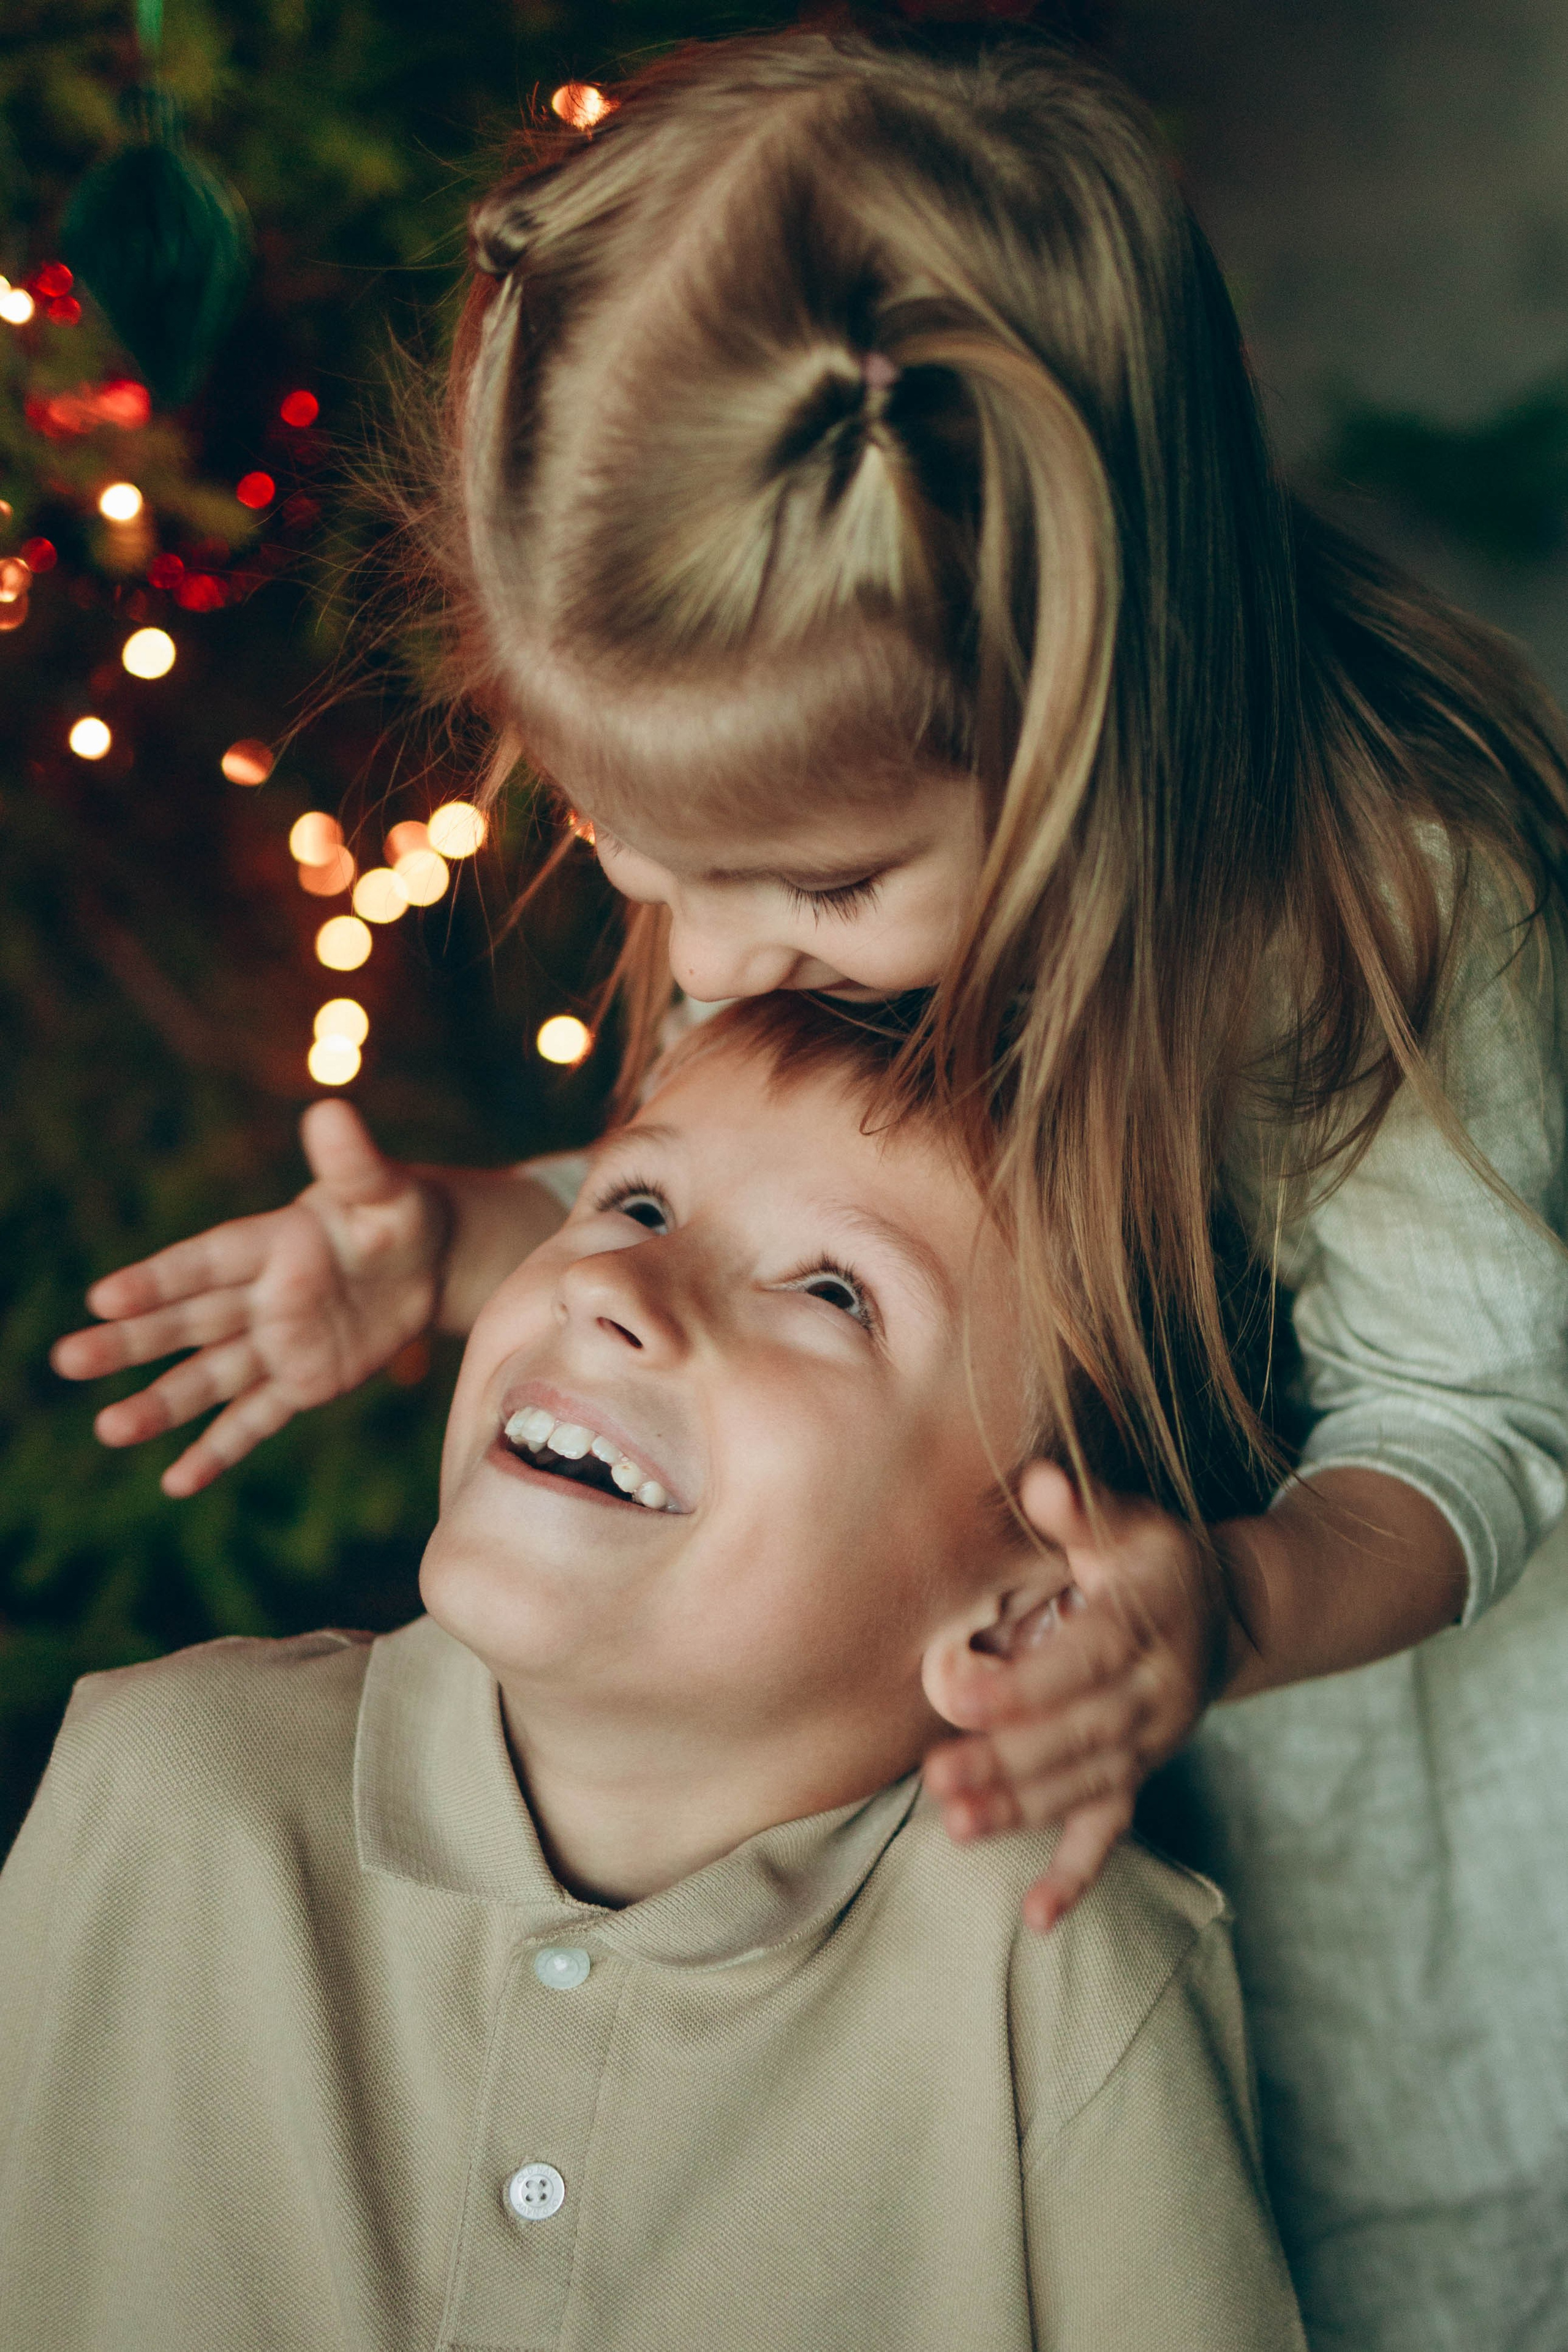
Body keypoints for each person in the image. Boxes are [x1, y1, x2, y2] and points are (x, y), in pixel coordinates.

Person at [47, 29, 1568, 2349]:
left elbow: (1480, 1426)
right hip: (936, 1710)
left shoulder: (1386, 905)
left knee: (1303, 2234)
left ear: (1077, 703)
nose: (722, 959)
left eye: (818, 888)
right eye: (654, 862)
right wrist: (461, 1239)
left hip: (1345, 1748)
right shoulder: (827, 804)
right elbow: (760, 1192)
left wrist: (1225, 1617)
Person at [3, 995, 1306, 2352]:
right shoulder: (165, 1787)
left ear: (1029, 1611)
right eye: (632, 1204)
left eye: (830, 1291)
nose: (612, 1286)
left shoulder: (1068, 1983)